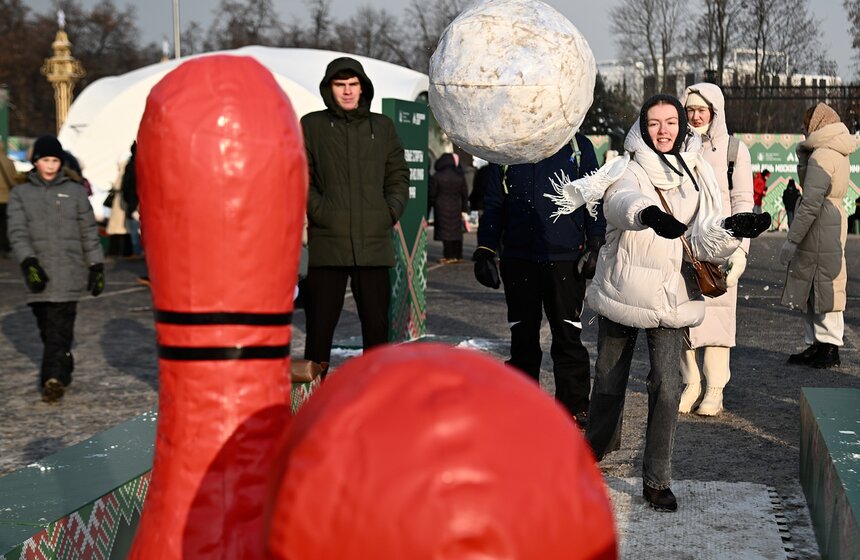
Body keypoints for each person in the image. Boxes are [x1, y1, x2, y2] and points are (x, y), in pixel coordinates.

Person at [577, 94, 769, 512]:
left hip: (673, 293)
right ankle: (591, 455)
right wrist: (648, 214)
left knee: (667, 387)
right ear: (642, 127)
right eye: (653, 123)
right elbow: (619, 202)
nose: (662, 130)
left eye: (670, 122)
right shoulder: (628, 166)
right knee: (609, 381)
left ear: (682, 126)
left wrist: (733, 229)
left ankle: (657, 479)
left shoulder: (697, 170)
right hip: (624, 287)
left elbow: (701, 237)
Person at [473, 134, 605, 427]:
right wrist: (485, 250)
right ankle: (521, 404)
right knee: (523, 339)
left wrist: (596, 242)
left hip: (566, 258)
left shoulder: (577, 146)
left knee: (567, 335)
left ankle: (574, 407)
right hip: (518, 258)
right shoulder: (506, 146)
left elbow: (595, 197)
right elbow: (494, 203)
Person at [301, 57, 409, 374]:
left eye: (352, 84)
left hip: (374, 245)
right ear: (329, 89)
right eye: (340, 85)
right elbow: (300, 176)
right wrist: (321, 212)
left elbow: (399, 175)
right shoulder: (312, 126)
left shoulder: (383, 127)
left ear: (362, 87)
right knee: (319, 328)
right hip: (327, 244)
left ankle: (377, 399)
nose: (347, 92)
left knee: (376, 329)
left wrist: (388, 212)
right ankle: (313, 399)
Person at [6, 135, 105, 402]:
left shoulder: (74, 192)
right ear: (36, 162)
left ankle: (53, 379)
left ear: (61, 163)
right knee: (47, 330)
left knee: (60, 329)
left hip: (70, 272)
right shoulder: (21, 194)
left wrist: (96, 265)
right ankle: (64, 364)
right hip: (39, 274)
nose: (50, 166)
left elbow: (88, 232)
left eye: (54, 160)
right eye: (45, 160)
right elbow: (17, 232)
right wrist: (28, 261)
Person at [678, 83, 754, 416]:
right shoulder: (676, 145)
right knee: (681, 316)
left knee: (718, 320)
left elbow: (743, 201)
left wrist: (742, 251)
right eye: (690, 110)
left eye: (702, 110)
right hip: (682, 244)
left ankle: (714, 389)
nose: (695, 116)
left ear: (715, 112)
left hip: (720, 246)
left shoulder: (734, 149)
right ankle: (691, 382)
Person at [780, 103, 859, 369]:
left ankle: (827, 346)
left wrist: (792, 239)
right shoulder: (835, 150)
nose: (804, 129)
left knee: (821, 283)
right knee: (822, 282)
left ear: (817, 125)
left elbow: (811, 201)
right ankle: (821, 344)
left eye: (807, 124)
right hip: (830, 220)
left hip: (819, 223)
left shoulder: (822, 155)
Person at [429, 152, 469, 263]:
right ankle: (458, 255)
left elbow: (432, 193)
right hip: (457, 207)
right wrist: (464, 209)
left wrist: (432, 204)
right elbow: (464, 194)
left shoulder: (437, 176)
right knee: (457, 232)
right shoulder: (459, 176)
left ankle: (449, 256)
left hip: (441, 207)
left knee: (446, 233)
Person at [0, 139, 21, 257]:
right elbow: (14, 179)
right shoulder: (9, 162)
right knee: (5, 224)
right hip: (6, 199)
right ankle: (5, 247)